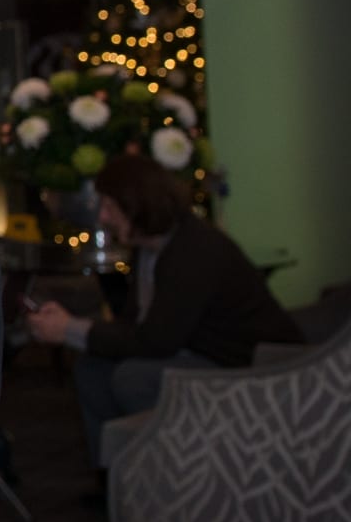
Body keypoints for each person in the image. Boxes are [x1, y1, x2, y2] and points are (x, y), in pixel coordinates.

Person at [27, 152, 302, 466]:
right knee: (93, 369)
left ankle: (172, 471)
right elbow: (132, 325)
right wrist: (74, 329)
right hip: (197, 351)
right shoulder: (151, 250)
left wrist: (70, 330)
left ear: (136, 205)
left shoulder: (194, 251)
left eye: (109, 207)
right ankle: (116, 477)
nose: (103, 217)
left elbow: (157, 340)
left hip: (254, 367)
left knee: (133, 377)